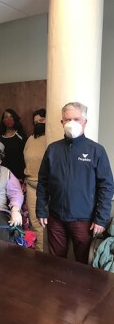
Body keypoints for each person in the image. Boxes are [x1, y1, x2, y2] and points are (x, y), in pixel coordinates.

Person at [37, 102, 114, 264]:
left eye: (77, 119)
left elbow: (106, 186)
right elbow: (43, 181)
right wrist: (41, 210)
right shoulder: (53, 149)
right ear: (62, 122)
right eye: (67, 119)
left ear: (85, 122)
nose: (71, 123)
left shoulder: (96, 151)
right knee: (55, 261)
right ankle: (57, 288)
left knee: (84, 263)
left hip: (84, 219)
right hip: (56, 217)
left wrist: (101, 218)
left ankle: (81, 290)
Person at [23, 108, 46, 251]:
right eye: (35, 122)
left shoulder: (53, 137)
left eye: (41, 121)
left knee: (47, 223)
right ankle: (39, 254)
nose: (38, 123)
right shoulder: (31, 139)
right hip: (31, 185)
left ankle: (47, 256)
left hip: (47, 187)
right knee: (34, 222)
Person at [0, 108, 27, 181]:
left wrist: (23, 176)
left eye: (11, 116)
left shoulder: (21, 135)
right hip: (2, 174)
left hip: (18, 174)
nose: (9, 119)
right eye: (6, 117)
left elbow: (25, 155)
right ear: (3, 120)